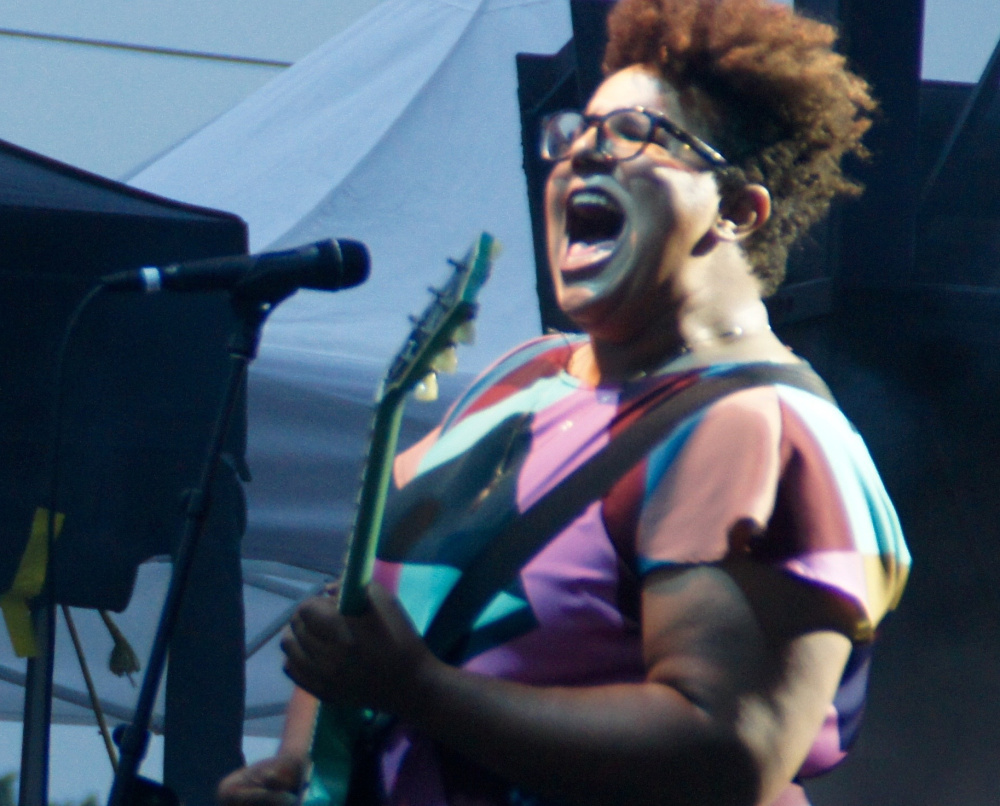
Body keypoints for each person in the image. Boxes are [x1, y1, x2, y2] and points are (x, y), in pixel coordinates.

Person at [218, 0, 910, 804]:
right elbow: (372, 617)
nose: (583, 155)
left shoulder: (759, 427)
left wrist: (422, 692)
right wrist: (301, 771)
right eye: (576, 133)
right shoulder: (521, 378)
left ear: (736, 210)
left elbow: (729, 751)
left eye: (637, 137)